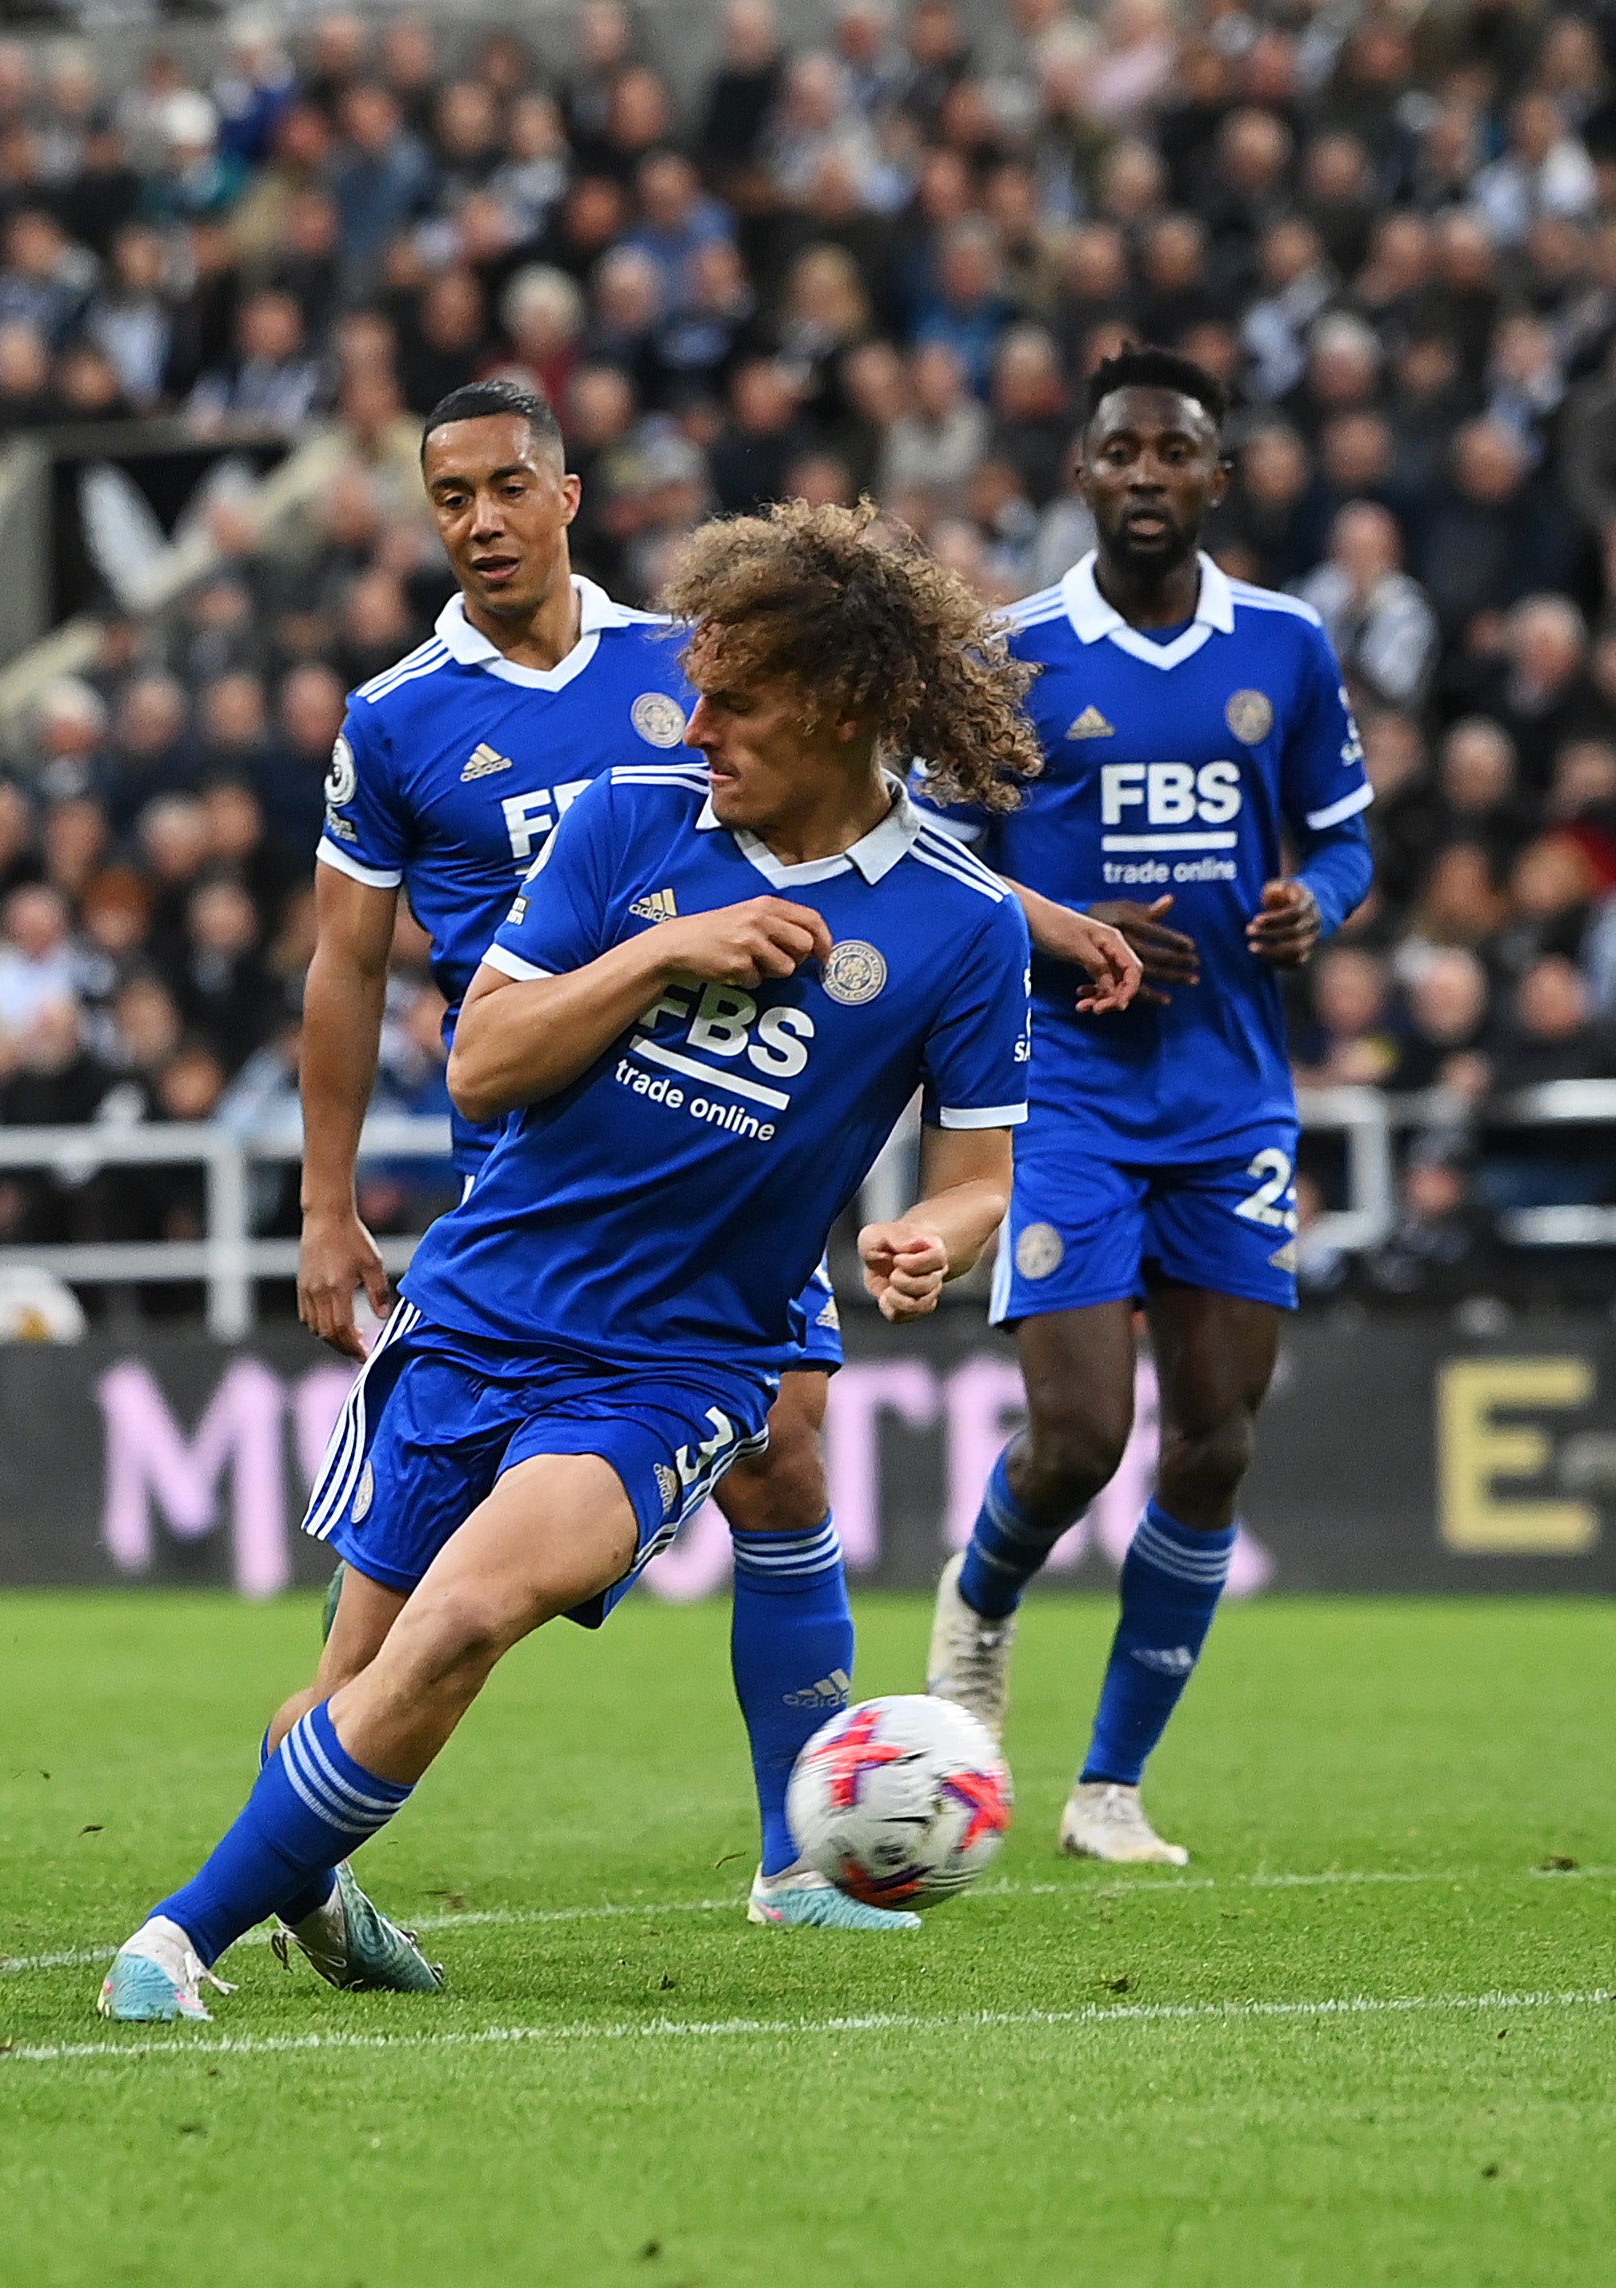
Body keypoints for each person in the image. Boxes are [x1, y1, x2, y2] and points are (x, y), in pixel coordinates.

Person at [100, 502, 1039, 2020]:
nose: (697, 718)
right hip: (481, 1311)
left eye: (736, 698)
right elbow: (479, 1065)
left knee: (470, 1616)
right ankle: (316, 1893)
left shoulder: (960, 923)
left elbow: (980, 1173)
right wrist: (667, 949)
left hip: (676, 1362)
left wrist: (929, 1237)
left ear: (844, 709)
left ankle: (170, 1943)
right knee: (339, 1707)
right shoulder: (625, 821)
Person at [296, 378, 1129, 1942]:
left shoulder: (690, 660)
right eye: (445, 497)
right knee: (406, 1618)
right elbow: (342, 971)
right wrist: (323, 1202)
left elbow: (860, 843)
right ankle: (299, 1839)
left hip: (736, 1147)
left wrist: (1040, 921)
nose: (476, 520)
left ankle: (792, 1863)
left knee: (784, 1453)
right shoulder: (397, 716)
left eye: (502, 486)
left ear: (567, 495)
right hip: (542, 1156)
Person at [927, 347, 1375, 1865]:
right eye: (1116, 450)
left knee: (1213, 1443)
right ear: (1079, 475)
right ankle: (977, 1611)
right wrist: (1064, 920)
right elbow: (929, 861)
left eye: (1170, 452)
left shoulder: (1288, 647)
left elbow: (1343, 836)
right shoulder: (1008, 654)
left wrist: (1315, 900)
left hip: (1231, 1100)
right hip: (1064, 1094)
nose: (1141, 474)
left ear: (1214, 478)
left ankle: (1107, 1786)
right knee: (1073, 1437)